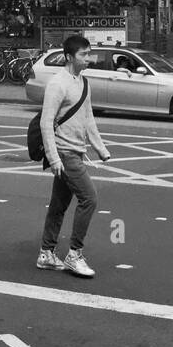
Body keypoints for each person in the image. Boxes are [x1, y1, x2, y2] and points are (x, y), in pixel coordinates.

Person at [37, 34, 111, 278]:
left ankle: (46, 253)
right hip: (64, 153)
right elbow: (46, 123)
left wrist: (100, 148)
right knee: (89, 198)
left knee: (59, 204)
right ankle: (74, 254)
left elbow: (88, 118)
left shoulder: (83, 82)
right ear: (70, 57)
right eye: (84, 55)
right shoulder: (58, 84)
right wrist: (54, 157)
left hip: (77, 152)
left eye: (89, 54)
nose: (88, 58)